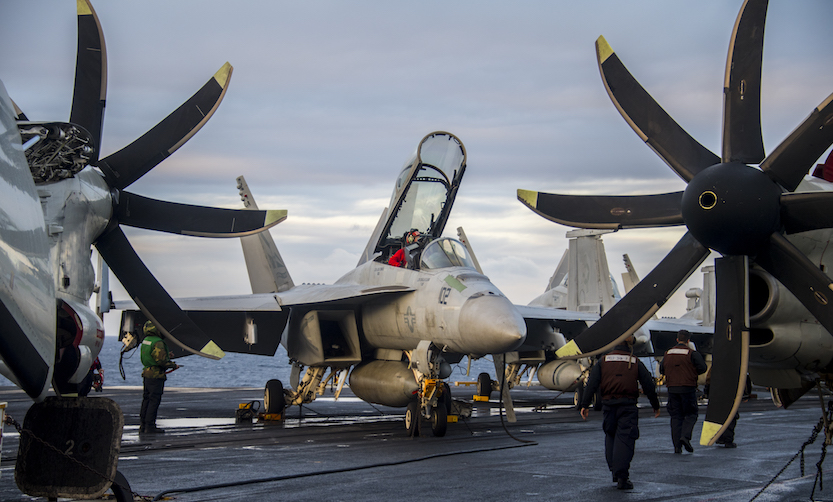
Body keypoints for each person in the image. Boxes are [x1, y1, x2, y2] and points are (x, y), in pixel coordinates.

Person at [580, 336, 661, 490]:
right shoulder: (634, 361)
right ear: (630, 344)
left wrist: (585, 404)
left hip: (609, 406)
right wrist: (655, 405)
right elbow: (648, 384)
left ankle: (614, 470)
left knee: (610, 435)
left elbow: (592, 383)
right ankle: (622, 476)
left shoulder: (603, 361)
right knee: (625, 439)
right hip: (627, 406)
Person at [660, 329, 707, 453]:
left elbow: (661, 369)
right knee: (691, 414)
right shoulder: (692, 353)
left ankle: (677, 446)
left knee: (676, 416)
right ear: (688, 340)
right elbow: (702, 368)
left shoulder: (667, 353)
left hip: (672, 388)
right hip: (688, 387)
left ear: (677, 339)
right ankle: (685, 436)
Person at [139, 321, 179, 434]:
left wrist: (166, 355)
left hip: (147, 373)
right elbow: (161, 361)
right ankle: (150, 426)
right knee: (154, 400)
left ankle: (143, 425)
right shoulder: (158, 342)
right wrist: (173, 365)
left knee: (146, 399)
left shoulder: (146, 341)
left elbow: (150, 355)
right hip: (156, 375)